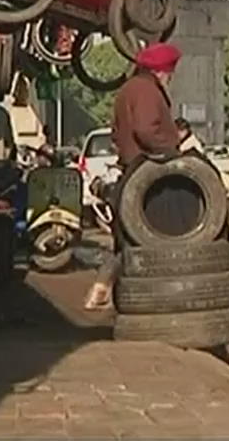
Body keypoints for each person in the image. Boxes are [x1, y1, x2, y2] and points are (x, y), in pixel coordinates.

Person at [84, 42, 184, 310]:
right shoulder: (146, 91)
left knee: (127, 239)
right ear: (162, 71)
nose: (170, 79)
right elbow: (146, 129)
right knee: (153, 239)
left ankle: (103, 290)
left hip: (132, 168)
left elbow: (119, 133)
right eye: (170, 73)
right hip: (147, 173)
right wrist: (171, 153)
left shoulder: (129, 89)